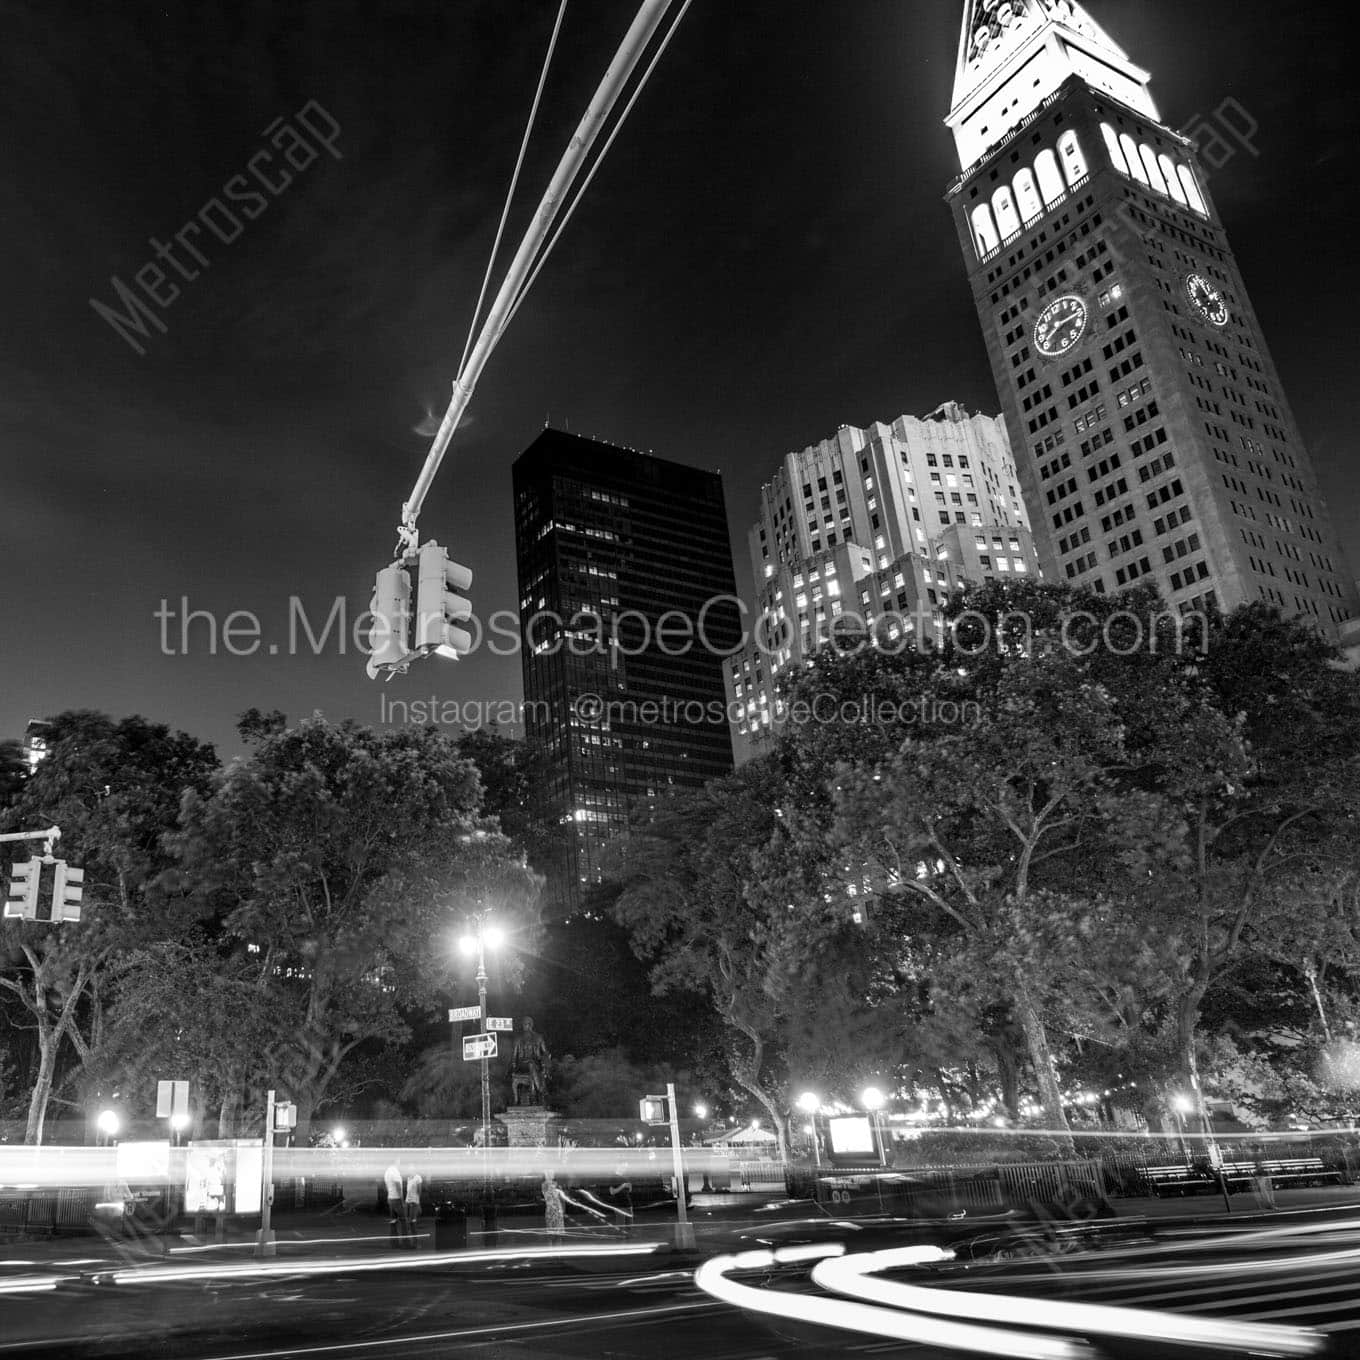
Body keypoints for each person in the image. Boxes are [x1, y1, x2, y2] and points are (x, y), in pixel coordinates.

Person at [384, 1161, 409, 1247]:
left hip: (390, 1198)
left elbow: (387, 1186)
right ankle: (406, 1243)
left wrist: (389, 1195)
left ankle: (394, 1243)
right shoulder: (395, 1172)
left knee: (393, 1221)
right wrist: (402, 1200)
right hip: (397, 1199)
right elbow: (398, 1186)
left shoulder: (387, 1171)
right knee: (403, 1221)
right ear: (396, 1161)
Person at [404, 1168, 424, 1245]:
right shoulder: (409, 1178)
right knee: (407, 1222)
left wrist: (418, 1204)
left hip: (414, 1202)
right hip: (407, 1202)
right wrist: (405, 1202)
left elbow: (419, 1191)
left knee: (412, 1222)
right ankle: (408, 1241)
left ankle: (415, 1242)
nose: (409, 1171)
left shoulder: (418, 1177)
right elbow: (408, 1191)